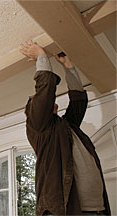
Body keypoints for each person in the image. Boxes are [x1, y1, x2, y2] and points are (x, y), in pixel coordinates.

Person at [20, 41, 110, 215]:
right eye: (39, 101)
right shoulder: (39, 129)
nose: (47, 102)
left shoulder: (66, 126)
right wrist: (41, 57)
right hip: (64, 211)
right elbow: (45, 93)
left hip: (98, 210)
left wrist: (69, 68)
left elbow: (78, 102)